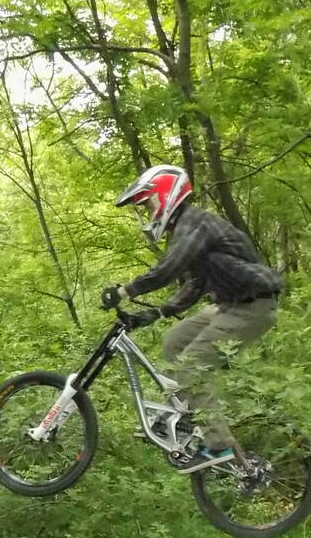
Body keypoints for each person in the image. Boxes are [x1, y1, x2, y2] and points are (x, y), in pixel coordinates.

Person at [102, 164, 284, 471]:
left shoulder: (196, 223)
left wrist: (125, 291)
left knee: (190, 366)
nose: (148, 213)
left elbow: (168, 269)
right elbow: (195, 284)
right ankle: (187, 418)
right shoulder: (187, 229)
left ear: (165, 194)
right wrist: (157, 312)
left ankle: (218, 446)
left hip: (253, 307)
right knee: (174, 343)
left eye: (148, 205)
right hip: (228, 306)